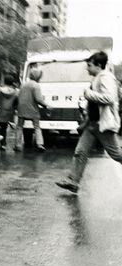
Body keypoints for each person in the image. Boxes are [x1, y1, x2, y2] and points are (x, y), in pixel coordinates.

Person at [56, 51, 122, 194]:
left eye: (89, 65)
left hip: (102, 124)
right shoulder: (98, 77)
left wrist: (88, 93)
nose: (87, 68)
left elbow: (109, 98)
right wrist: (86, 121)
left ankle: (73, 180)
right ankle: (73, 181)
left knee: (117, 154)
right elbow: (94, 105)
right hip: (93, 124)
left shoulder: (106, 77)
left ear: (98, 65)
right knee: (80, 151)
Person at [14, 68, 51, 152]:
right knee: (37, 127)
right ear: (37, 76)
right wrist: (47, 106)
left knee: (19, 127)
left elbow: (17, 95)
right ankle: (39, 144)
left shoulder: (23, 84)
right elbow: (39, 99)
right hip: (33, 110)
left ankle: (17, 144)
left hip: (21, 109)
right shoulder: (36, 85)